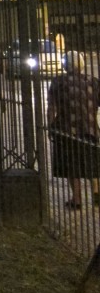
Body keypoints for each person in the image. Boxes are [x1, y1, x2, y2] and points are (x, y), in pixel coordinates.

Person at [47, 51, 100, 210]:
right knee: (92, 161)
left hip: (67, 128)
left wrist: (50, 126)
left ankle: (76, 199)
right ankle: (97, 191)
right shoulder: (93, 81)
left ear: (65, 65)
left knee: (72, 164)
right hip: (89, 127)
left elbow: (52, 107)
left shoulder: (58, 82)